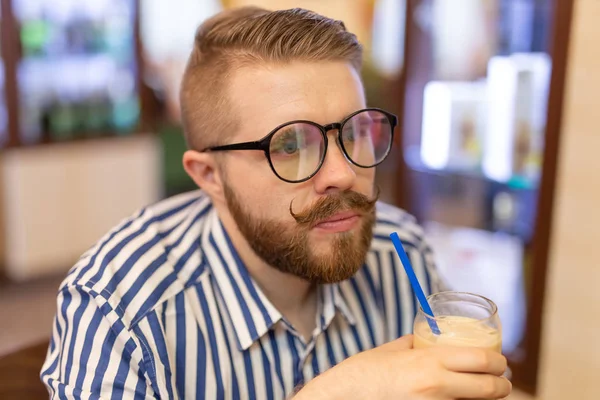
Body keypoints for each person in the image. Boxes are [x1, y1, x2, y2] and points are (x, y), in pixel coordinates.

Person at [41, 7, 512, 400]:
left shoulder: (401, 248)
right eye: (289, 146)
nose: (344, 174)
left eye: (355, 132)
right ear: (210, 176)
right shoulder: (120, 310)